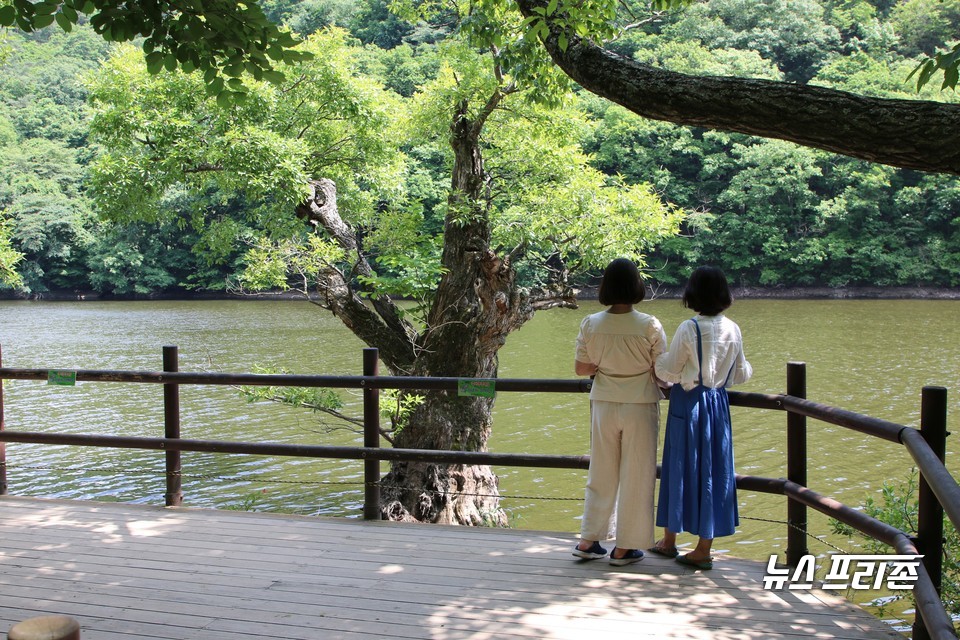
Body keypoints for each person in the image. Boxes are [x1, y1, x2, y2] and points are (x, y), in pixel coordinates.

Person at [649, 266, 752, 570]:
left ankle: (669, 540)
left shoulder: (688, 327)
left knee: (678, 467)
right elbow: (742, 373)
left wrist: (658, 364)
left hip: (688, 403)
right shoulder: (733, 328)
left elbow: (666, 370)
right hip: (717, 404)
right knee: (713, 470)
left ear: (693, 292)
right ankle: (702, 547)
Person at [573, 258, 667, 566]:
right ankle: (625, 547)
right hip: (639, 402)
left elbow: (581, 368)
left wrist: (604, 364)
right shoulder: (649, 324)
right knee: (637, 474)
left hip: (603, 400)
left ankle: (589, 539)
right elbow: (662, 371)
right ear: (637, 286)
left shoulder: (590, 323)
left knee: (601, 470)